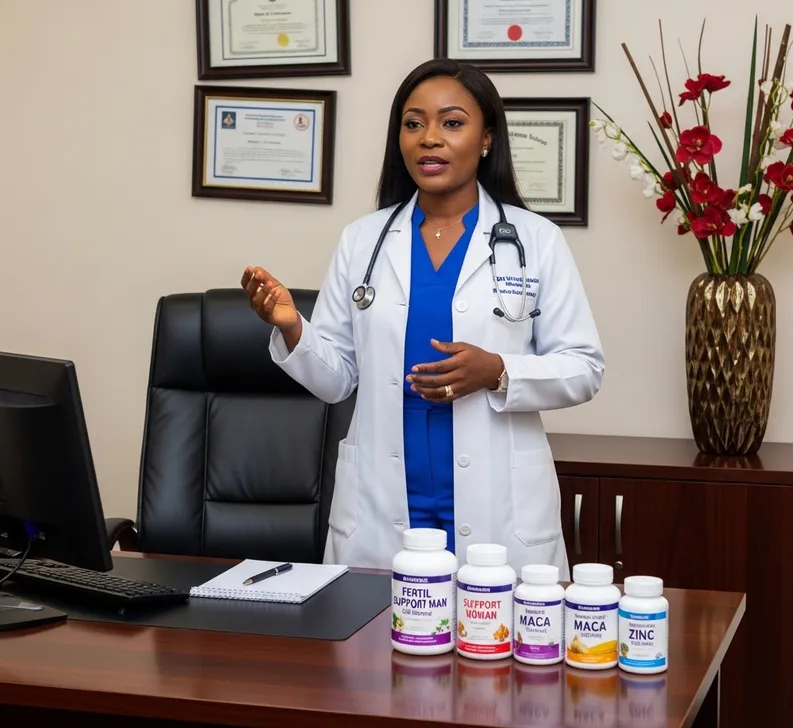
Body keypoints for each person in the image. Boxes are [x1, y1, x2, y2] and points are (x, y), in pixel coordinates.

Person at [241, 58, 604, 578]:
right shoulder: (363, 240)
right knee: (377, 631)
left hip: (497, 506)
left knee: (493, 625)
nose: (429, 138)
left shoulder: (536, 240)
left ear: (487, 139)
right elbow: (337, 380)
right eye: (413, 124)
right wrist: (293, 327)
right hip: (383, 503)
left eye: (452, 123)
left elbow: (584, 366)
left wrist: (498, 371)